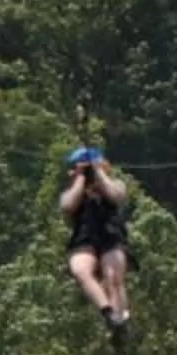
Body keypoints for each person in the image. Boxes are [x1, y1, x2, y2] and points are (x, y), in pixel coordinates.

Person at [60, 146, 132, 341]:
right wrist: (80, 178)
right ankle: (107, 312)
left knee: (113, 276)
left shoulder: (115, 184)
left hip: (110, 235)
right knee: (80, 270)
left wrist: (99, 173)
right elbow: (67, 206)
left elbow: (117, 197)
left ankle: (120, 319)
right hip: (84, 237)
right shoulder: (73, 192)